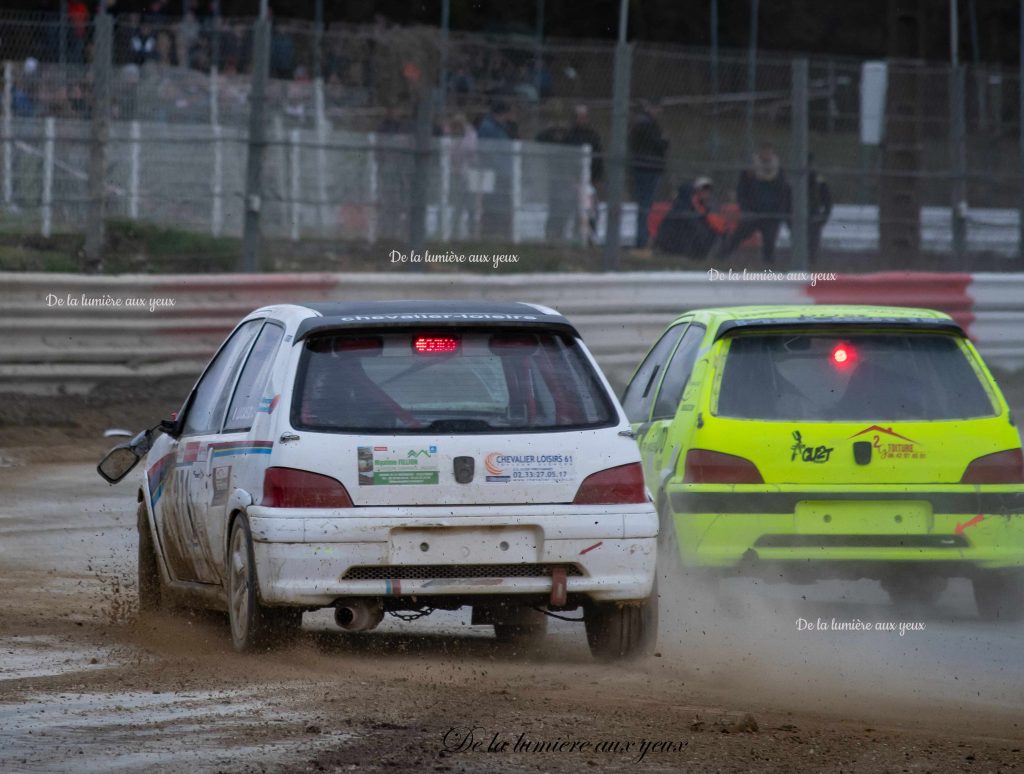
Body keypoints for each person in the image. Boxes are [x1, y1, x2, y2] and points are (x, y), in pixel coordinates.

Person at [719, 142, 792, 264]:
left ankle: (769, 268)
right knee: (737, 236)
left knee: (769, 242)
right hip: (753, 212)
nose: (767, 154)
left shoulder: (778, 171)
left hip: (771, 214)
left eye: (769, 151)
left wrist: (780, 210)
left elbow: (784, 192)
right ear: (760, 152)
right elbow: (741, 190)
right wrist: (745, 208)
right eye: (764, 151)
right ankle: (719, 258)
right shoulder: (750, 169)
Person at [654, 177, 729, 260]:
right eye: (702, 190)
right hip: (674, 245)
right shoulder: (684, 206)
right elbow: (695, 225)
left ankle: (718, 256)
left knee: (713, 231)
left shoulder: (708, 207)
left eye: (708, 190)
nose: (705, 193)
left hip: (687, 246)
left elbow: (720, 226)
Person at [628, 100, 669, 249]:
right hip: (648, 168)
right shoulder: (647, 124)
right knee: (645, 204)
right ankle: (641, 239)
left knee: (645, 204)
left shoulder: (641, 123)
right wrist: (663, 141)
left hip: (645, 167)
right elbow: (659, 144)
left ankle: (642, 237)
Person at [477, 100, 516, 241]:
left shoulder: (501, 128)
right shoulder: (488, 128)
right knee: (492, 203)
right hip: (494, 172)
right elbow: (487, 151)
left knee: (502, 203)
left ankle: (499, 232)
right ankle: (489, 233)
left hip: (503, 172)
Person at [808, 154, 833, 264]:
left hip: (814, 215)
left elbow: (827, 200)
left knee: (813, 244)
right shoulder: (796, 179)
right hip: (799, 216)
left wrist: (824, 216)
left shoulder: (819, 181)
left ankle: (811, 264)